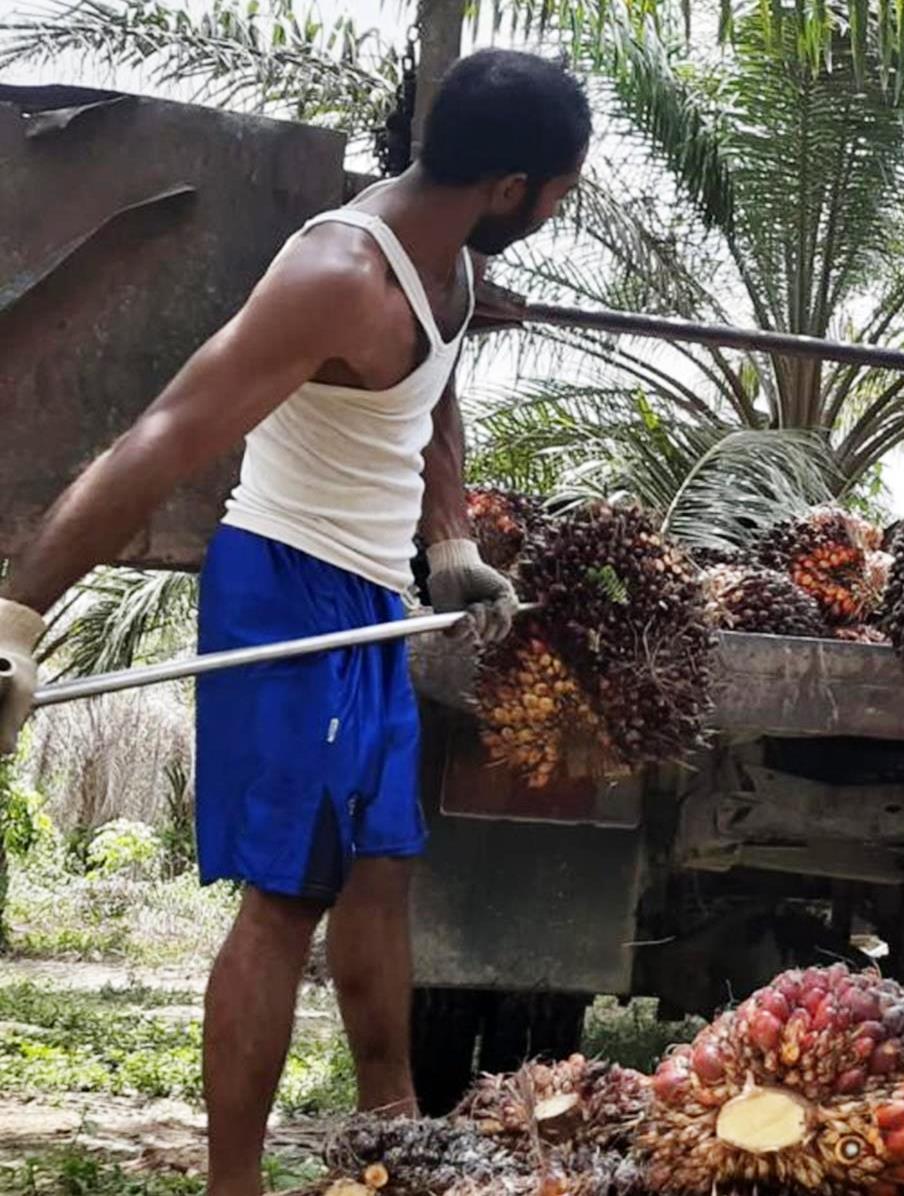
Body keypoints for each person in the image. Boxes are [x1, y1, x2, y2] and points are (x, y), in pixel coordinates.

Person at [0, 49, 591, 1195]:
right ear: (511, 184)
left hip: (371, 598)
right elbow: (162, 435)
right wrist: (18, 612)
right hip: (281, 580)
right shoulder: (336, 271)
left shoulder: (453, 258)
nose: (560, 210)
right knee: (285, 897)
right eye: (560, 189)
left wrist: (451, 539)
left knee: (380, 873)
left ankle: (396, 1139)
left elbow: (441, 383)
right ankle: (235, 1184)